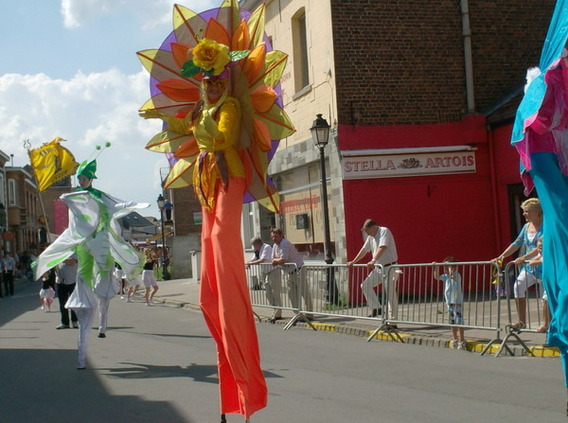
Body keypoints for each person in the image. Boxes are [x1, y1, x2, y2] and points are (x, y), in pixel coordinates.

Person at [34, 154, 147, 368]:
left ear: (91, 178)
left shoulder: (99, 196)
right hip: (85, 244)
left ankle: (103, 327)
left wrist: (134, 204)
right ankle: (81, 354)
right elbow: (71, 212)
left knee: (104, 291)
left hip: (101, 243)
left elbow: (117, 204)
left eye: (84, 177)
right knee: (85, 290)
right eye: (79, 178)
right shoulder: (76, 197)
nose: (81, 181)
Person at [493, 198, 543, 329]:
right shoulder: (526, 227)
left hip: (543, 265)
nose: (524, 214)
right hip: (529, 267)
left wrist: (524, 257)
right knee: (518, 286)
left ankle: (547, 324)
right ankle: (521, 322)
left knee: (545, 296)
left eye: (527, 211)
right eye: (524, 211)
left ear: (537, 212)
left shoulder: (546, 226)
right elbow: (517, 243)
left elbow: (540, 248)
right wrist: (501, 256)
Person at [347, 219, 399, 320]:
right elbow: (364, 250)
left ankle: (392, 321)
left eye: (368, 231)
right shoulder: (371, 237)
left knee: (390, 294)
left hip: (390, 267)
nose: (367, 234)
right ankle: (376, 308)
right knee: (365, 285)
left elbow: (382, 247)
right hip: (379, 267)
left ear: (374, 227)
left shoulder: (384, 231)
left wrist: (373, 260)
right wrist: (353, 261)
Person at [271, 228, 313, 317]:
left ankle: (310, 314)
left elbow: (283, 259)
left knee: (304, 292)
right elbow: (273, 258)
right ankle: (298, 314)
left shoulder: (284, 243)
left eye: (276, 236)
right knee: (292, 294)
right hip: (289, 272)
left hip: (298, 270)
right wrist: (276, 261)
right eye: (272, 237)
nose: (274, 238)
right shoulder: (275, 245)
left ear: (281, 235)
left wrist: (276, 261)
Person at [433, 257, 466, 350]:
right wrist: (436, 267)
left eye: (449, 267)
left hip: (457, 301)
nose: (447, 269)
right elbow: (436, 277)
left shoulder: (457, 274)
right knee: (452, 320)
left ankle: (462, 339)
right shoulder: (445, 276)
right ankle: (454, 338)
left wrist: (450, 268)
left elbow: (453, 277)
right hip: (449, 302)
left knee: (459, 320)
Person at [247, 236, 281, 321]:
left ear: (257, 244)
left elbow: (263, 260)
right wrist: (248, 263)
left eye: (254, 246)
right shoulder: (258, 251)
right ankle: (275, 310)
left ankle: (278, 313)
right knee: (268, 293)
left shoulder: (266, 247)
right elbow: (253, 258)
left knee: (275, 292)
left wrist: (251, 264)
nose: (254, 248)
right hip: (266, 273)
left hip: (273, 271)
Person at [528, 237, 550, 333]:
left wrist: (542, 260)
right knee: (545, 300)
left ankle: (547, 324)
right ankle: (546, 324)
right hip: (548, 282)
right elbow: (531, 263)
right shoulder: (542, 255)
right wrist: (541, 259)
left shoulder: (550, 254)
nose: (539, 249)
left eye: (541, 247)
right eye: (538, 247)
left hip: (556, 282)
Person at [54, 256, 79, 329]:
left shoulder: (74, 251)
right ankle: (65, 322)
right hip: (60, 281)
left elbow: (72, 261)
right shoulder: (58, 252)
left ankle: (74, 321)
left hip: (72, 280)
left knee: (73, 303)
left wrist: (59, 258)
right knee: (62, 303)